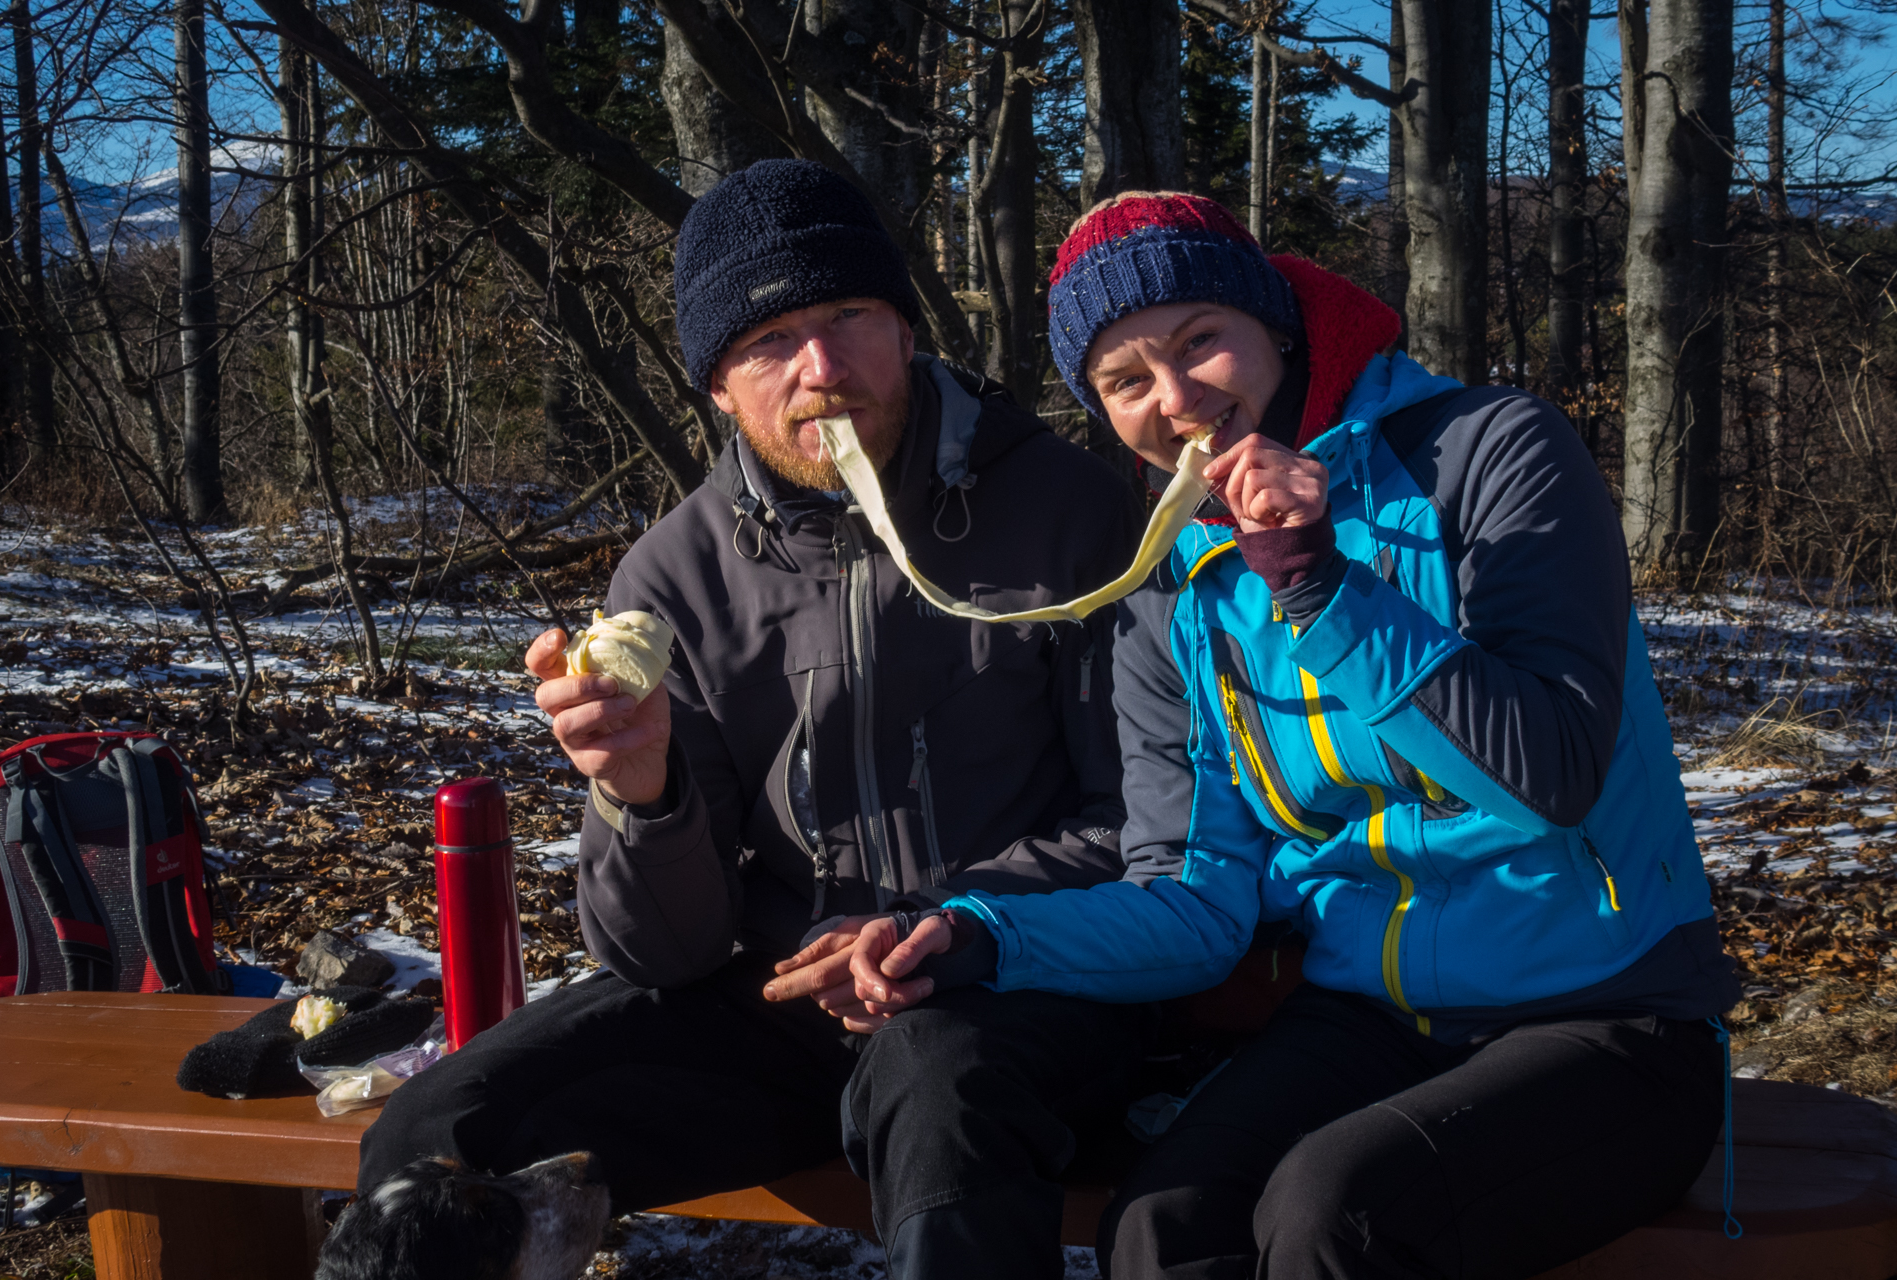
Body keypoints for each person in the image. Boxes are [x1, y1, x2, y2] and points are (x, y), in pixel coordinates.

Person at [835, 192, 1741, 1279]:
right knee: (1161, 1222)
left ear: (1274, 323)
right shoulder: (1176, 586)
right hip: (1370, 1017)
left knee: (1336, 1209)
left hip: (1610, 1017)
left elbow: (1549, 769)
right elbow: (1195, 899)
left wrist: (1318, 582)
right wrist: (981, 934)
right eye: (1125, 381)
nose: (1175, 400)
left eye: (1198, 341)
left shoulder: (1491, 451)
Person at [357, 159, 1155, 1280]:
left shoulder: (1067, 512)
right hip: (785, 1007)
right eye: (768, 341)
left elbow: (1144, 821)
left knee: (938, 1081)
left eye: (848, 316)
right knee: (440, 1131)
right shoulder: (674, 576)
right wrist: (644, 795)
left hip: (1017, 983)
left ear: (907, 327)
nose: (822, 370)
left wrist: (946, 922)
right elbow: (662, 952)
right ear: (716, 385)